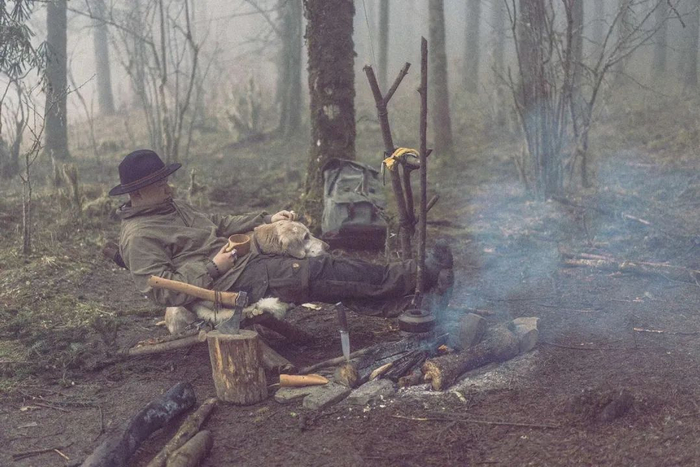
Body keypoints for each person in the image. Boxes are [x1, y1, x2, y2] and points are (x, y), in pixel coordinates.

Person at [110, 149, 453, 313]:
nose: (168, 186)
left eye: (166, 179)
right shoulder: (139, 236)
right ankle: (418, 274)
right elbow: (162, 292)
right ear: (136, 193)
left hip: (245, 263)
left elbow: (218, 222)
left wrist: (266, 218)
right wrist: (213, 267)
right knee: (315, 271)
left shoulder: (171, 206)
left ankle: (411, 299)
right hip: (226, 283)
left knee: (325, 269)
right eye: (159, 183)